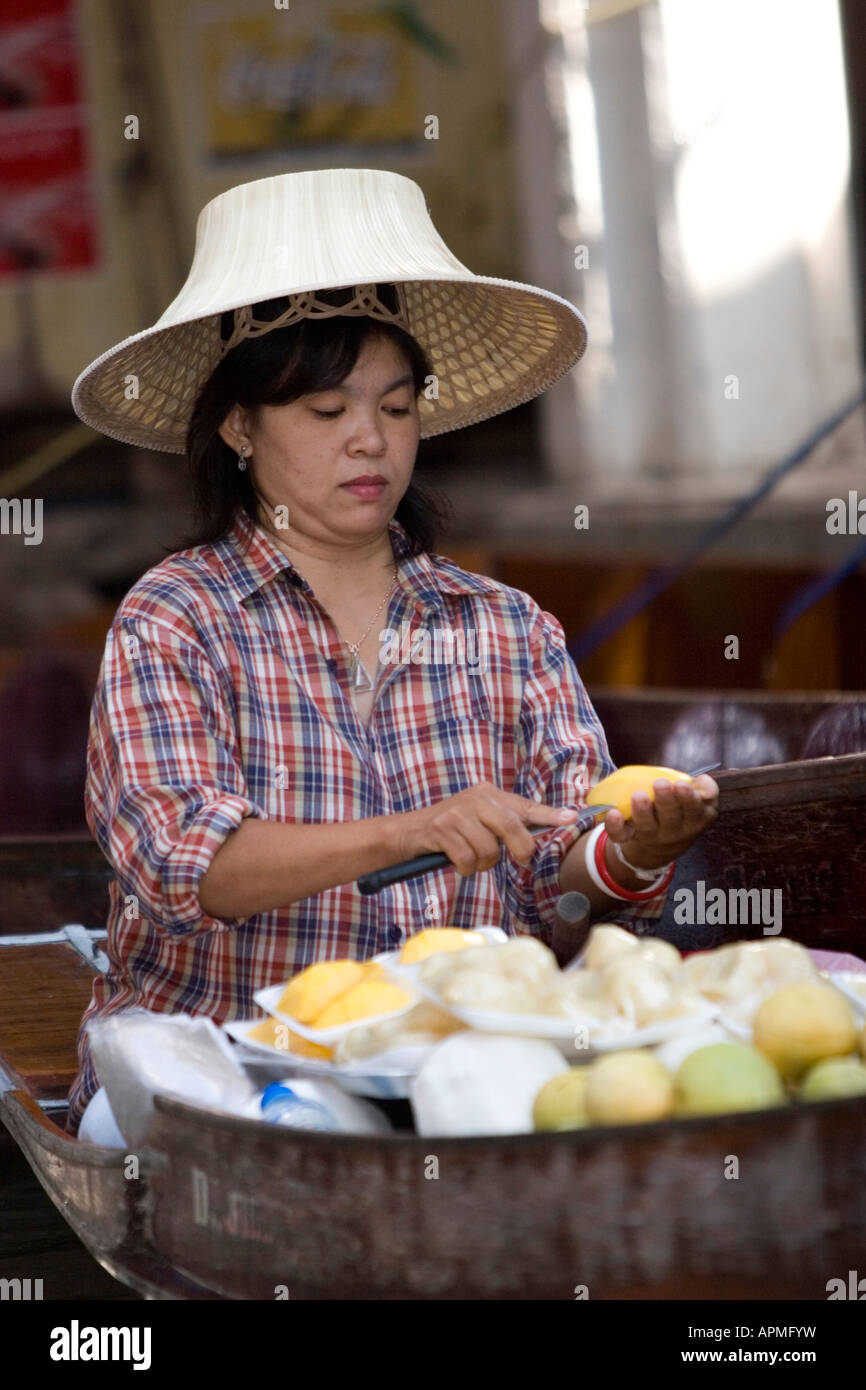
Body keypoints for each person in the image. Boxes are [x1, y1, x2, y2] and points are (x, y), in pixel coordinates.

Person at [66, 168, 718, 1136]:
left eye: (397, 406)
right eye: (326, 414)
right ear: (240, 426)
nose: (368, 441)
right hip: (218, 1065)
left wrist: (625, 850)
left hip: (449, 1068)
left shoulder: (502, 626)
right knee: (295, 1138)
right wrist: (412, 828)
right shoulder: (175, 619)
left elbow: (557, 875)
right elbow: (181, 866)